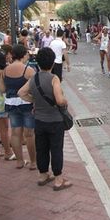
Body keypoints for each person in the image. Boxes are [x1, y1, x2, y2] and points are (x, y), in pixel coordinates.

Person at [18, 47, 72, 191]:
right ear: (53, 63)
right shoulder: (54, 78)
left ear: (38, 63)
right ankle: (58, 179)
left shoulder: (33, 78)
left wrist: (34, 101)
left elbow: (21, 92)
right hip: (55, 121)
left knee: (41, 148)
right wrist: (65, 101)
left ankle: (43, 175)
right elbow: (60, 101)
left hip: (39, 121)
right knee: (56, 149)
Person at [0, 45, 36, 169]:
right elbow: (35, 89)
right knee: (29, 133)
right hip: (26, 103)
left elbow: (2, 89)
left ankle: (19, 161)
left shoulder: (5, 70)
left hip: (11, 103)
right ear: (23, 55)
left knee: (15, 132)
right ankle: (33, 162)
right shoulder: (28, 70)